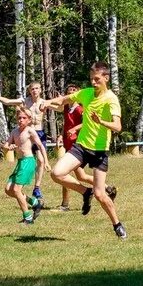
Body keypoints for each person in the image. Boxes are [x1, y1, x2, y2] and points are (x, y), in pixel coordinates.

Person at [45, 61, 126, 239]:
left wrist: (101, 122)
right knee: (56, 173)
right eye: (91, 79)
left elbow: (118, 126)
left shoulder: (111, 99)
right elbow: (64, 100)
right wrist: (47, 102)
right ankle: (84, 192)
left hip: (99, 151)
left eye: (97, 79)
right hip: (81, 146)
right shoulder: (86, 93)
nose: (93, 83)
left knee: (100, 194)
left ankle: (117, 225)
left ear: (106, 78)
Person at [0, 82, 49, 202]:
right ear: (29, 91)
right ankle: (20, 188)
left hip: (38, 132)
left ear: (41, 90)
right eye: (32, 89)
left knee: (41, 160)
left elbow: (60, 106)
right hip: (27, 133)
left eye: (36, 88)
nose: (34, 91)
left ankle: (37, 187)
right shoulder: (24, 101)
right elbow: (8, 101)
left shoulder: (44, 102)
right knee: (24, 157)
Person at [46, 83, 94, 211]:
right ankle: (107, 188)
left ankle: (65, 204)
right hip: (68, 143)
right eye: (69, 91)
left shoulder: (80, 109)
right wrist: (61, 136)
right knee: (81, 176)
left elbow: (87, 124)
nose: (71, 93)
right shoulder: (67, 107)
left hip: (77, 145)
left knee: (63, 173)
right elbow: (63, 118)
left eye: (74, 90)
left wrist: (75, 128)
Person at [0, 107, 50, 225]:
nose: (21, 120)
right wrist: (8, 147)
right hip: (20, 162)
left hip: (28, 161)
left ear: (29, 120)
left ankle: (28, 218)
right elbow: (5, 146)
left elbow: (41, 146)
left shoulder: (30, 131)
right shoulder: (14, 131)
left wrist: (46, 161)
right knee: (9, 190)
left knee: (16, 190)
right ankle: (35, 202)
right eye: (19, 118)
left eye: (24, 118)